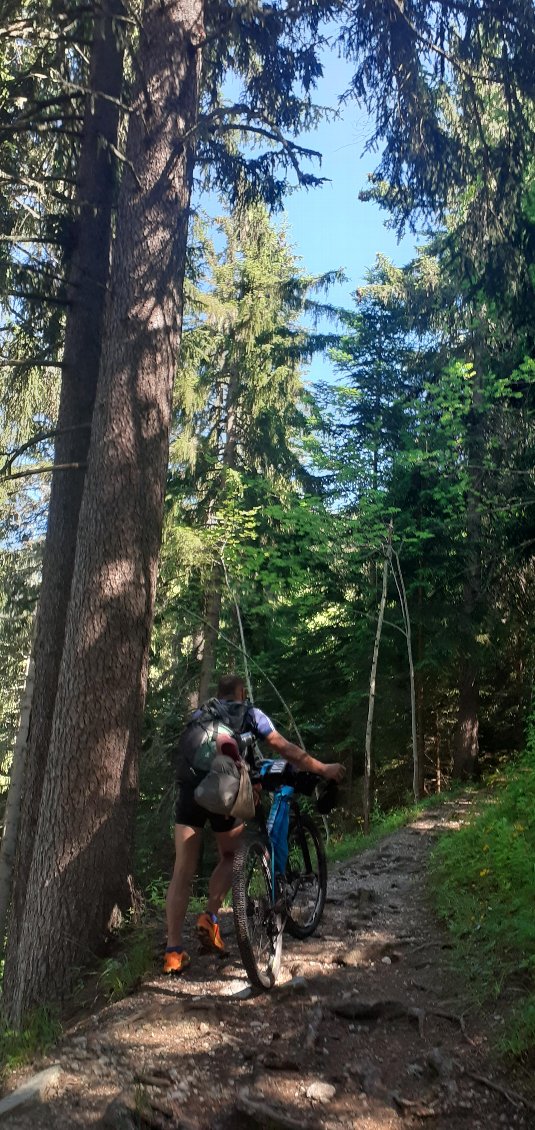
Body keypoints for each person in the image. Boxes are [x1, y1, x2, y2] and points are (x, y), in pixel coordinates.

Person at [163, 673, 346, 974]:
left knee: (182, 869)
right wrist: (322, 768)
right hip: (222, 791)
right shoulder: (249, 713)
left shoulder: (200, 714)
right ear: (241, 692)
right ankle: (209, 917)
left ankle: (173, 952)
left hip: (189, 790)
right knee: (231, 855)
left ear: (219, 694)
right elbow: (283, 748)